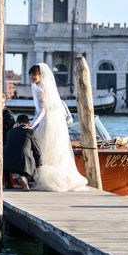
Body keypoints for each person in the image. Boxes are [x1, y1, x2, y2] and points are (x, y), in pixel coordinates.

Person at [29, 63, 88, 191]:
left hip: (46, 121)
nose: (32, 77)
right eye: (31, 75)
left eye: (34, 74)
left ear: (40, 75)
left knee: (43, 145)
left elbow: (43, 109)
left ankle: (40, 177)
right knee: (51, 147)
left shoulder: (39, 88)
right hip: (49, 121)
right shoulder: (41, 86)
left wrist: (33, 124)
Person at [3, 114, 42, 191]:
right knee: (29, 171)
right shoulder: (31, 132)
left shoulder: (10, 132)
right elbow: (37, 151)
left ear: (17, 122)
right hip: (23, 163)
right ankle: (24, 178)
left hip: (7, 164)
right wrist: (39, 165)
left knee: (9, 156)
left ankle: (8, 184)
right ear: (28, 123)